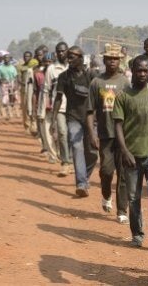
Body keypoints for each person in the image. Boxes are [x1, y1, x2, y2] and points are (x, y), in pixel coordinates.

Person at [113, 55, 148, 249]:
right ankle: (137, 234)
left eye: (145, 70)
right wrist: (124, 151)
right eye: (139, 70)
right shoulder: (123, 96)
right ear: (132, 71)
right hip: (131, 155)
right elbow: (117, 125)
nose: (142, 74)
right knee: (133, 197)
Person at [86, 43, 130, 223]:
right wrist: (91, 134)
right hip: (105, 134)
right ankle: (106, 195)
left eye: (116, 59)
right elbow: (89, 111)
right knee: (106, 170)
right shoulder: (97, 82)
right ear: (104, 60)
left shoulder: (125, 83)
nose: (112, 62)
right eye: (109, 58)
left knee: (124, 173)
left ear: (120, 60)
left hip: (124, 136)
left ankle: (122, 210)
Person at [53, 46, 98, 197]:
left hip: (91, 118)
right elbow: (58, 98)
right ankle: (81, 183)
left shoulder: (91, 75)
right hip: (73, 117)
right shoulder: (64, 77)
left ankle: (84, 176)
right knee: (77, 147)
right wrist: (53, 120)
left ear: (81, 58)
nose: (69, 58)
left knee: (92, 153)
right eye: (68, 56)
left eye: (73, 56)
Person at [44, 42, 71, 177]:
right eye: (58, 51)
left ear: (67, 51)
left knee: (73, 134)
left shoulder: (73, 66)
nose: (61, 53)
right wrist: (47, 108)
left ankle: (71, 159)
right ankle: (65, 162)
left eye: (63, 51)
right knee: (62, 132)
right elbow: (47, 89)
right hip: (58, 106)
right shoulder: (51, 69)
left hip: (73, 107)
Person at [0, 54, 18, 121]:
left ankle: (10, 110)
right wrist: (1, 80)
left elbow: (16, 76)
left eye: (8, 58)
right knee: (5, 99)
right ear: (3, 59)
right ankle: (5, 113)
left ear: (10, 59)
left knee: (13, 98)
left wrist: (16, 84)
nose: (6, 59)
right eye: (5, 58)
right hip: (4, 84)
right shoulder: (0, 67)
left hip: (12, 83)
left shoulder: (13, 67)